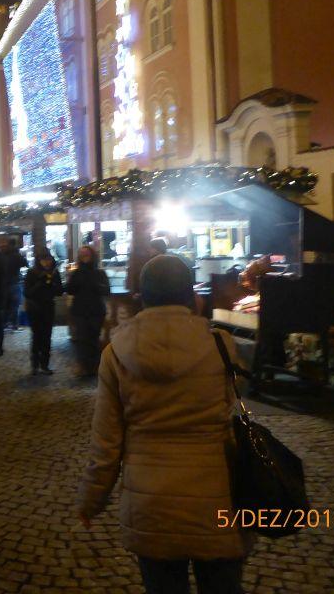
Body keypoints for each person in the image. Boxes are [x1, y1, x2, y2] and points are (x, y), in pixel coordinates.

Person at [78, 254, 250, 594]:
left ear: (142, 298)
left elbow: (106, 444)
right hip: (217, 496)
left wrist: (91, 501)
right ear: (193, 297)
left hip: (150, 504)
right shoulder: (221, 345)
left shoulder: (116, 353)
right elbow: (235, 397)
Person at [66, 245, 110, 377]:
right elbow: (69, 290)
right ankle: (84, 366)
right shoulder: (76, 273)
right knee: (82, 339)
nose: (84, 256)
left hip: (96, 310)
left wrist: (96, 285)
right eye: (81, 254)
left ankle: (94, 367)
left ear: (92, 256)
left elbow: (106, 291)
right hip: (80, 311)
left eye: (86, 253)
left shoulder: (99, 273)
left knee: (93, 339)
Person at [24, 249, 64, 375]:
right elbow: (27, 293)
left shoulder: (54, 273)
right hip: (35, 309)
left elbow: (59, 291)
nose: (46, 263)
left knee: (47, 337)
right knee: (36, 337)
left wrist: (53, 283)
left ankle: (44, 364)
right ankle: (34, 365)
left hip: (48, 308)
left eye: (48, 260)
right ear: (39, 261)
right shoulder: (32, 273)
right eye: (43, 260)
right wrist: (40, 283)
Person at [1, 240, 28, 331]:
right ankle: (15, 324)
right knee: (15, 305)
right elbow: (26, 263)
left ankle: (5, 324)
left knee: (6, 305)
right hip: (14, 283)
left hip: (5, 284)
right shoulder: (17, 255)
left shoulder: (3, 255)